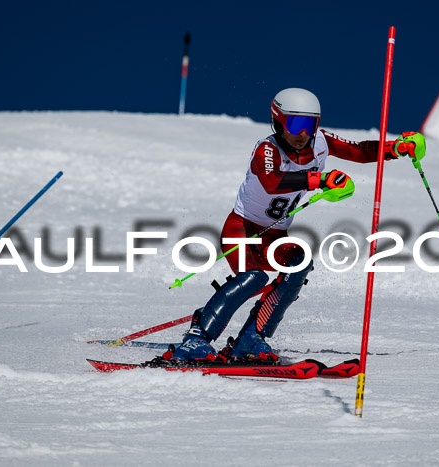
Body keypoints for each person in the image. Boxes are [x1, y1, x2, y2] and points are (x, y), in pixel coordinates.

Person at [169, 88, 425, 363]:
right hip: (242, 228)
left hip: (276, 234)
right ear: (278, 123)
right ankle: (196, 339)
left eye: (310, 125)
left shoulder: (321, 142)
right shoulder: (267, 149)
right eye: (295, 125)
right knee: (253, 278)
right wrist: (321, 180)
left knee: (300, 263)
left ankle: (251, 339)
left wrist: (396, 148)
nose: (303, 133)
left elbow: (360, 152)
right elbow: (272, 181)